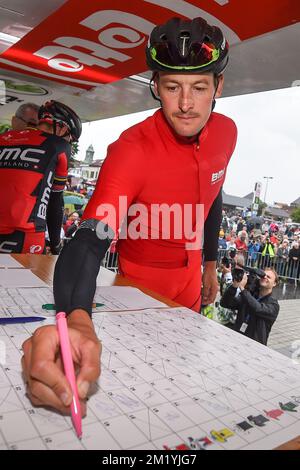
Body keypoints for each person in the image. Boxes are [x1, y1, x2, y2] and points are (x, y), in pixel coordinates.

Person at [22, 17, 237, 413]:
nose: (186, 105)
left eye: (199, 87)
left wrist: (209, 263)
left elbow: (214, 189)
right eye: (172, 87)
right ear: (155, 85)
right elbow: (88, 239)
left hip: (191, 283)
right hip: (137, 289)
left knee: (181, 399)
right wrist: (79, 320)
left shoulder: (227, 132)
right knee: (132, 405)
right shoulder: (130, 150)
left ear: (218, 87)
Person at [0, 100, 81, 254]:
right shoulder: (60, 146)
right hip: (26, 235)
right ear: (62, 127)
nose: (69, 141)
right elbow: (54, 202)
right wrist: (56, 245)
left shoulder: (4, 138)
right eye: (70, 137)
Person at [220, 267, 279, 345]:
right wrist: (235, 286)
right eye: (263, 275)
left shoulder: (274, 305)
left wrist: (242, 288)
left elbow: (258, 308)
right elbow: (225, 303)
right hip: (237, 338)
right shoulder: (251, 294)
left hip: (255, 345)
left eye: (268, 277)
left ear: (274, 283)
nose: (265, 277)